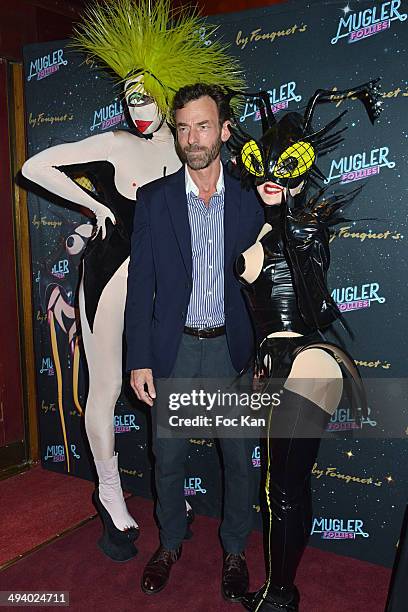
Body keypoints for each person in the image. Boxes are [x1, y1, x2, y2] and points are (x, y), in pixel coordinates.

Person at [21, 0, 244, 563]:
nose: (137, 106)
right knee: (106, 388)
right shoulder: (116, 145)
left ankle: (172, 506)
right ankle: (111, 495)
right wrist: (91, 203)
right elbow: (32, 166)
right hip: (108, 279)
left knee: (171, 396)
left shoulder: (191, 147)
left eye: (147, 96)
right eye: (129, 98)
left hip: (170, 297)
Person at [226, 82, 382, 612]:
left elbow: (312, 299)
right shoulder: (259, 234)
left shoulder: (306, 228)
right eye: (263, 165)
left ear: (301, 166)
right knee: (284, 486)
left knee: (284, 488)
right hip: (286, 365)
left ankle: (279, 595)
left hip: (312, 360)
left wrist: (290, 221)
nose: (271, 177)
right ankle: (282, 591)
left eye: (284, 166)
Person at [126, 82, 263, 598]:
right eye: (182, 127)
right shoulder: (155, 200)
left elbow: (275, 275)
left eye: (202, 125)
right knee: (169, 457)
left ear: (224, 130)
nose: (192, 137)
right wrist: (139, 359)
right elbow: (141, 288)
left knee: (238, 459)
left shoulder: (252, 197)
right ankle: (171, 541)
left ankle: (234, 551)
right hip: (175, 350)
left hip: (233, 351)